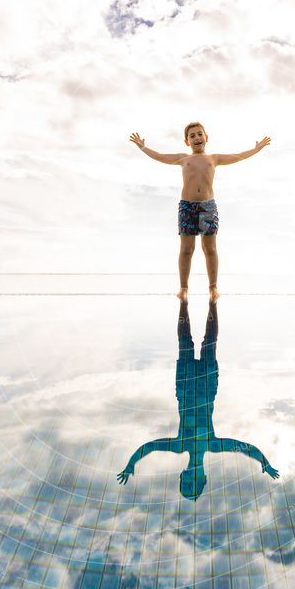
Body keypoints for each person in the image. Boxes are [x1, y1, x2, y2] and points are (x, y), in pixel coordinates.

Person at [116, 300, 279, 500]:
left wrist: (131, 464)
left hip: (185, 388)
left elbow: (149, 447)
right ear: (203, 478)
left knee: (186, 342)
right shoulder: (212, 445)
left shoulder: (179, 445)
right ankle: (213, 301)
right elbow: (245, 447)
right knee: (209, 342)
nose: (190, 478)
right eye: (193, 483)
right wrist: (264, 462)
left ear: (181, 476)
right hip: (206, 388)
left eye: (185, 482)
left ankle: (184, 301)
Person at [129, 122, 271, 302]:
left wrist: (256, 148)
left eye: (199, 134)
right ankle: (183, 288)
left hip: (208, 207)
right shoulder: (183, 159)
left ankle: (213, 288)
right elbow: (160, 156)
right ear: (187, 141)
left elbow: (239, 156)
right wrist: (143, 147)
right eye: (192, 136)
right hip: (187, 207)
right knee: (187, 249)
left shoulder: (214, 158)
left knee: (209, 249)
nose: (196, 138)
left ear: (206, 137)